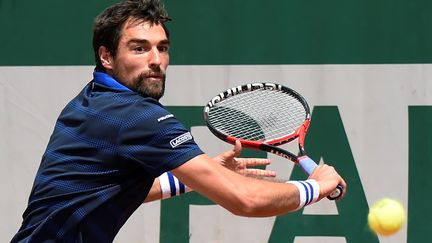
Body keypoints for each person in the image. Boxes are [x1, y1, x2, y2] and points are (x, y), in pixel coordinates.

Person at [11, 0, 347, 242]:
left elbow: (105, 190)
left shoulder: (88, 102)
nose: (156, 60)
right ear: (107, 56)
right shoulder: (138, 116)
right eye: (140, 48)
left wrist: (191, 179)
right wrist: (315, 187)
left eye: (163, 47)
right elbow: (246, 200)